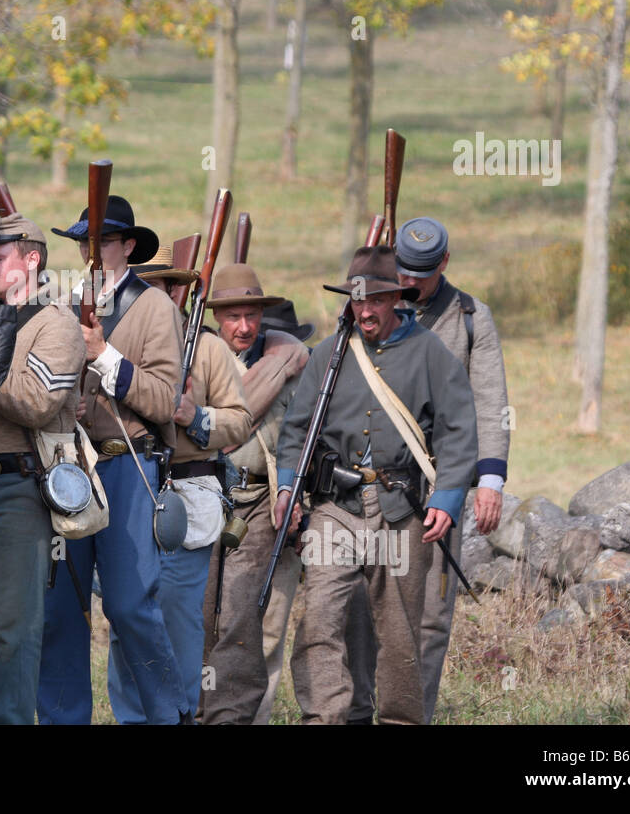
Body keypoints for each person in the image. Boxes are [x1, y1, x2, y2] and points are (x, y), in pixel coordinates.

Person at [279, 245, 477, 725]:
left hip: (402, 509)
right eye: (357, 300)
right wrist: (288, 489)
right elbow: (296, 430)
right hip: (336, 508)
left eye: (376, 300)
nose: (365, 310)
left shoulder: (431, 352)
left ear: (395, 300)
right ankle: (325, 717)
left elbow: (458, 430)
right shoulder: (328, 353)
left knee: (400, 634)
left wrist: (448, 499)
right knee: (319, 621)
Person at [343, 217, 510, 723]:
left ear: (444, 263)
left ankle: (412, 715)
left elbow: (490, 401)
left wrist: (488, 481)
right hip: (367, 484)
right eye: (403, 270)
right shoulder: (367, 307)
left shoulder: (470, 318)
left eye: (421, 273)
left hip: (436, 484)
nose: (410, 283)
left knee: (430, 618)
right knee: (358, 610)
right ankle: (356, 711)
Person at [37, 196, 191, 725]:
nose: (92, 251)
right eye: (85, 242)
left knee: (129, 606)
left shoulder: (156, 308)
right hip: (69, 467)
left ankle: (169, 715)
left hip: (127, 465)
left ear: (128, 245)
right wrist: (66, 401)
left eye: (103, 240)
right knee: (60, 612)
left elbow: (168, 400)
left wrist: (104, 359)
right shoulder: (60, 305)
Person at [0, 213, 85, 724]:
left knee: (11, 632)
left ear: (32, 259)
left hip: (23, 488)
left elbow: (35, 404)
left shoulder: (58, 324)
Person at [106, 247, 250, 722]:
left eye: (168, 286)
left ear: (182, 291)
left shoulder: (207, 348)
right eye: (151, 286)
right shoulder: (118, 345)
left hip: (182, 498)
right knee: (127, 618)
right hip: (124, 494)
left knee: (176, 621)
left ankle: (180, 712)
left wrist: (195, 416)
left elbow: (240, 420)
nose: (161, 296)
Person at [194, 263, 312, 724]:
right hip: (203, 497)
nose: (244, 327)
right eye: (233, 317)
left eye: (252, 316)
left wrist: (292, 491)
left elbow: (297, 438)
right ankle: (201, 709)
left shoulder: (289, 369)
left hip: (262, 501)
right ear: (217, 318)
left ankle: (237, 716)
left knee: (247, 618)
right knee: (201, 617)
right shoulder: (199, 361)